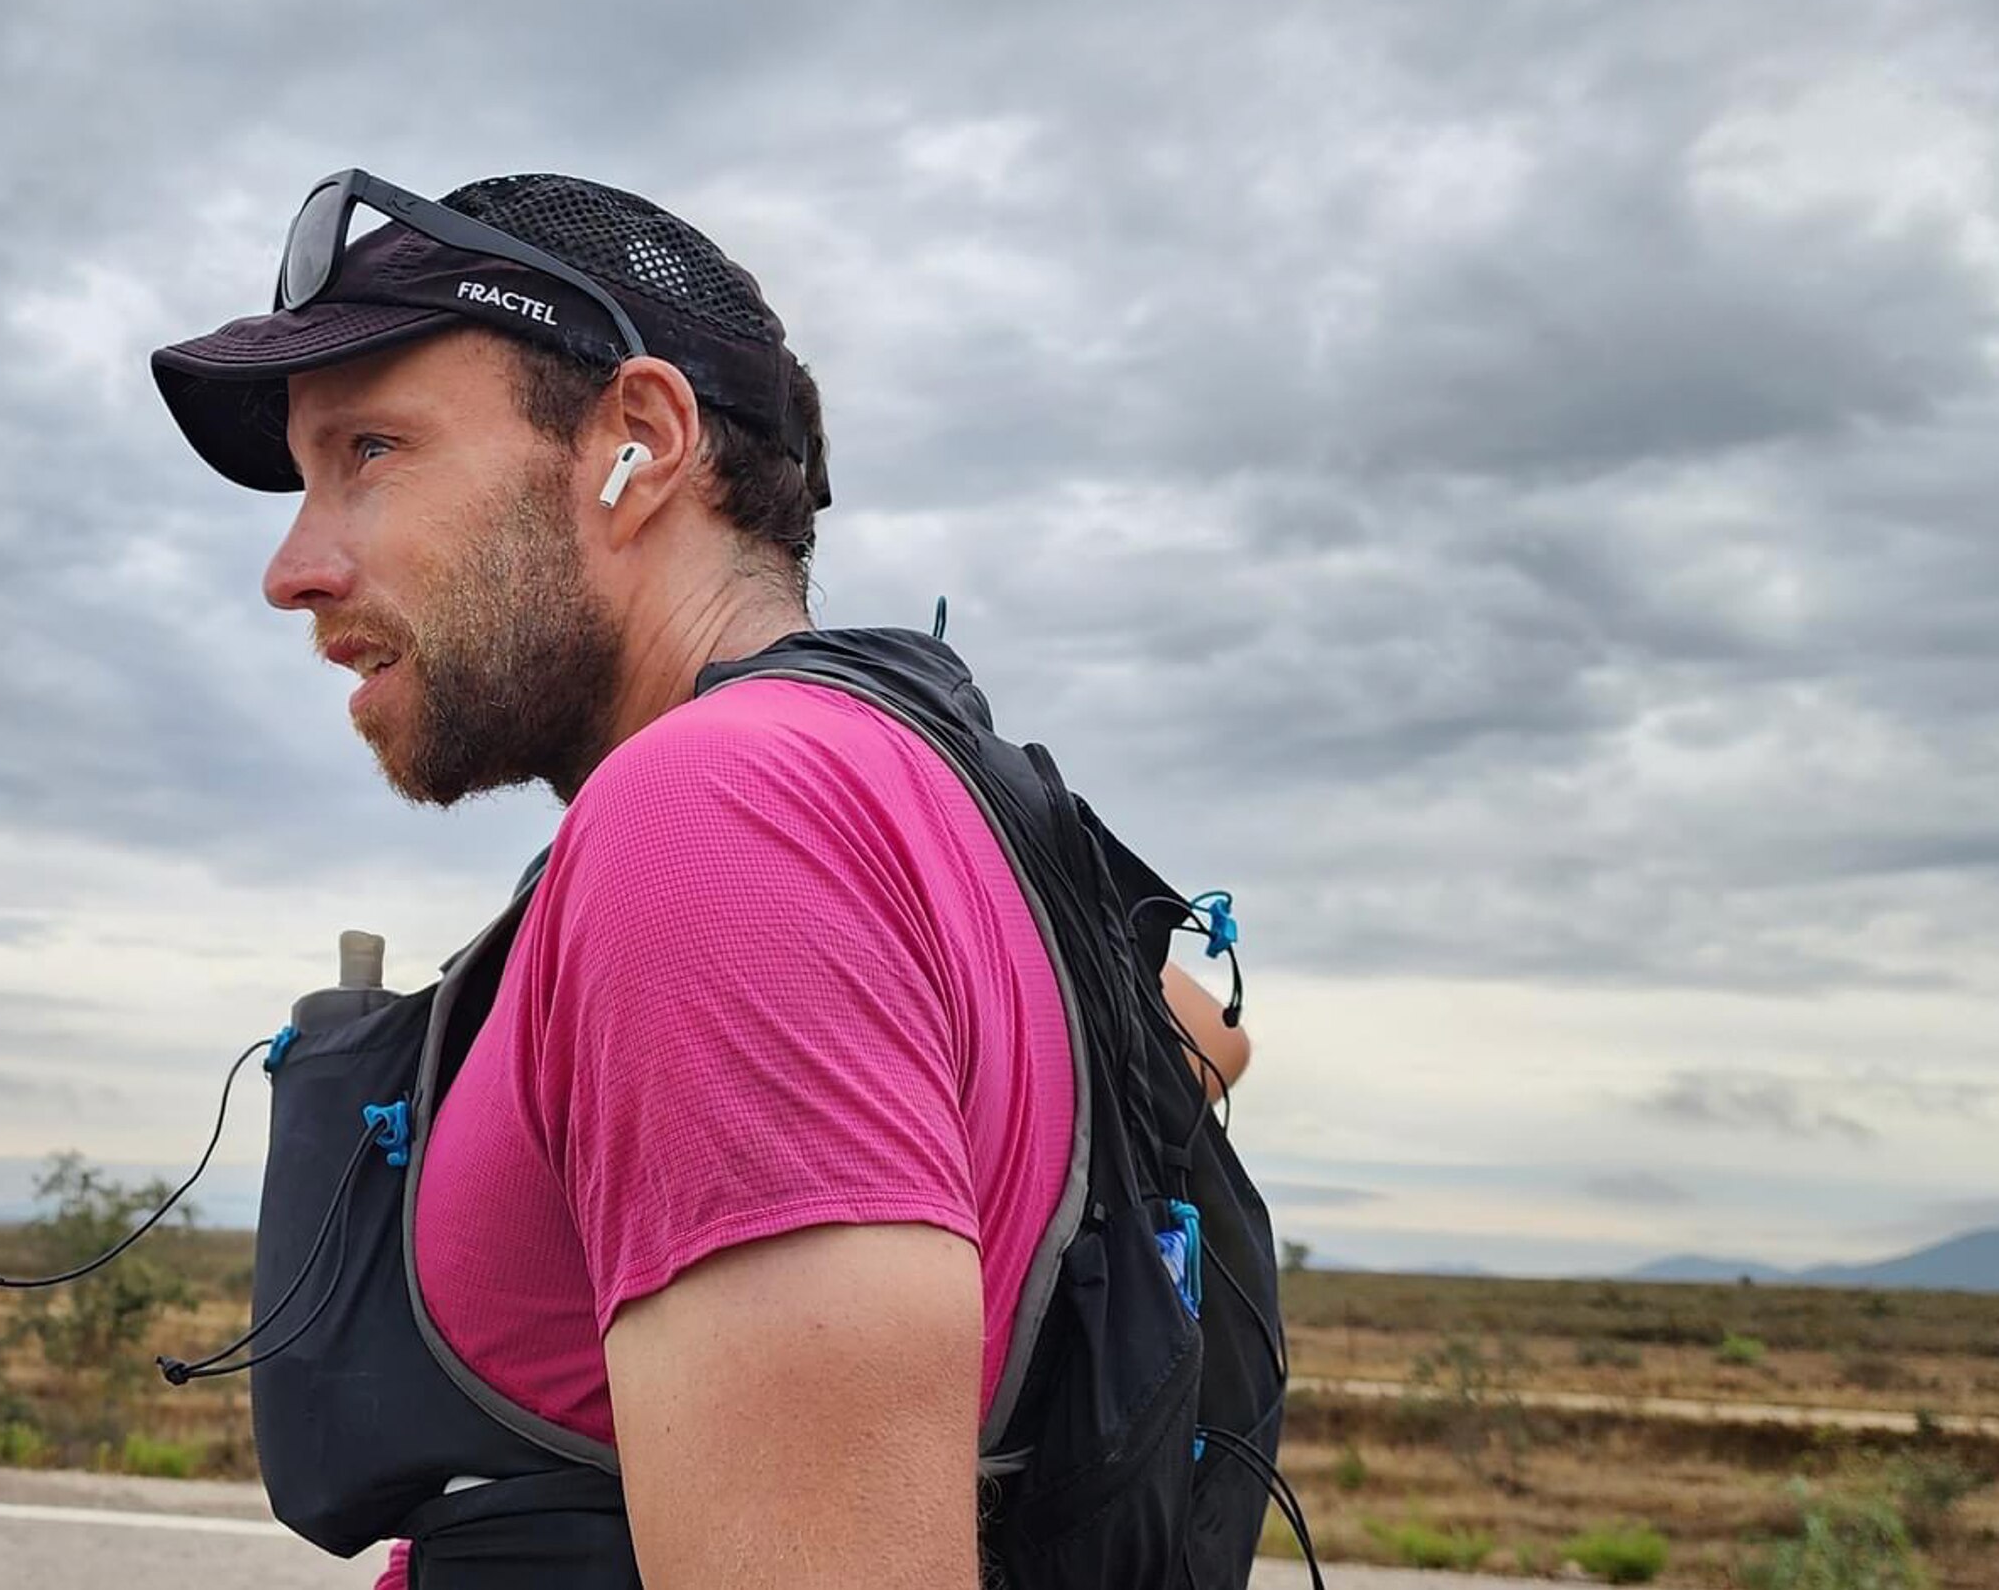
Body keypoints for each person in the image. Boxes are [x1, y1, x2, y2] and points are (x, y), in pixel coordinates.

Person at [148, 170, 1254, 1589]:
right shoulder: (920, 785)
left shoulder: (720, 818)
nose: (294, 568)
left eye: (372, 448)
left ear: (640, 442)